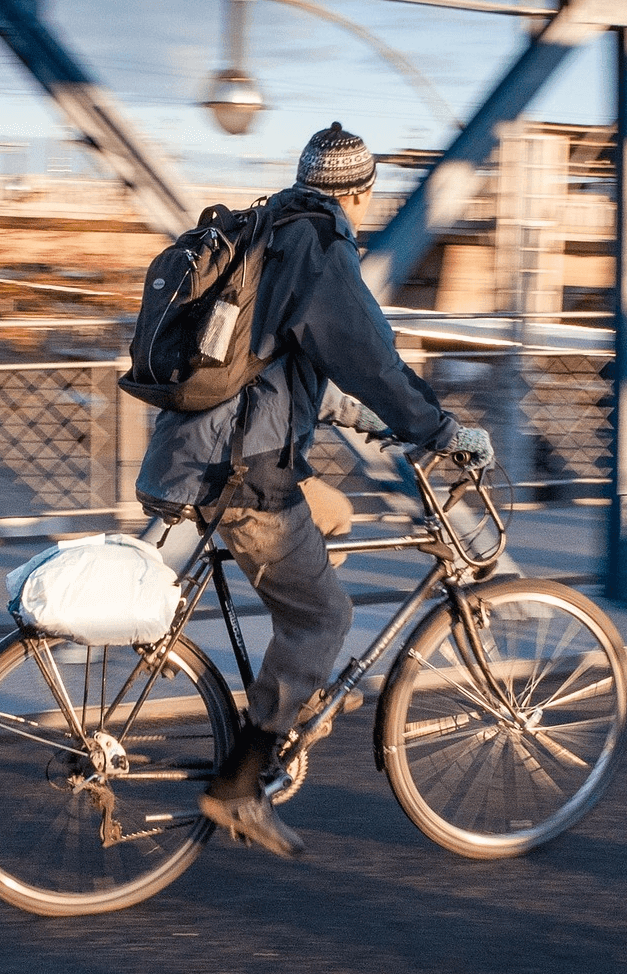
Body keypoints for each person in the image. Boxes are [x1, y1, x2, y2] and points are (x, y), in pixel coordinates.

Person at [135, 122, 493, 858]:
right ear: (360, 193)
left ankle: (299, 693)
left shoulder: (272, 229)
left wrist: (353, 413)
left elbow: (270, 362)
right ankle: (239, 784)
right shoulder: (321, 245)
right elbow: (369, 356)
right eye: (367, 196)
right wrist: (438, 428)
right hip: (242, 472)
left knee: (335, 511)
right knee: (324, 618)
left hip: (199, 451)